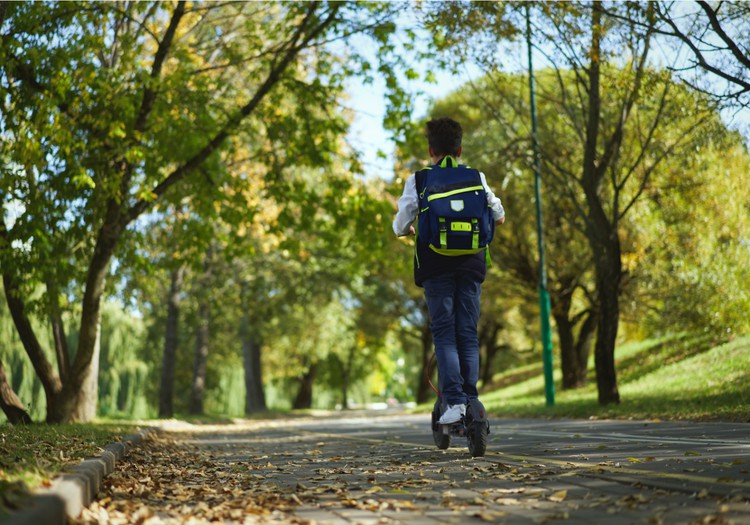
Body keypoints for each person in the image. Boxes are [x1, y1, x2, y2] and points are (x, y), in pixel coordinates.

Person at [392, 117, 505, 424]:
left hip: (435, 264)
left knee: (444, 332)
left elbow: (400, 225)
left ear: (431, 150)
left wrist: (412, 228)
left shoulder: (419, 180)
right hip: (471, 263)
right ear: (460, 148)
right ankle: (471, 398)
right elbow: (499, 214)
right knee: (467, 332)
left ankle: (453, 401)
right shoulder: (476, 177)